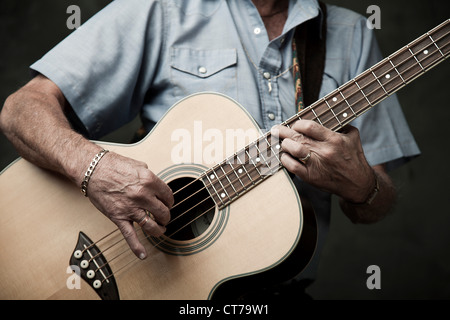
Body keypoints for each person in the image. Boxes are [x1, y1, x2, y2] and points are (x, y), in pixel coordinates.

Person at [0, 0, 420, 299]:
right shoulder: (162, 10)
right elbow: (22, 110)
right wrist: (95, 168)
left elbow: (376, 204)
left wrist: (363, 185)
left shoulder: (351, 34)